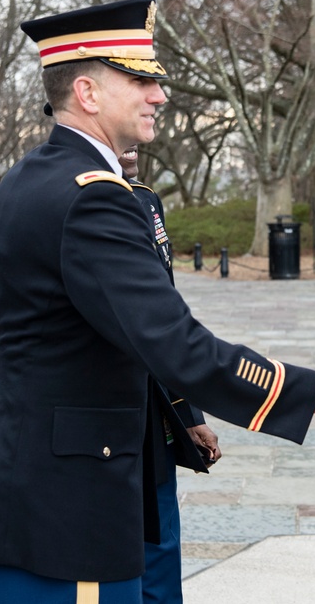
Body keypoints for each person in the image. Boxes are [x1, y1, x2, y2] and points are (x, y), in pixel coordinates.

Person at [0, 0, 315, 603]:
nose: (158, 94)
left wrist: (183, 416)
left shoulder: (34, 176)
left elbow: (116, 338)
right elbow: (176, 344)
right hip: (69, 511)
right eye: (140, 79)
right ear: (87, 91)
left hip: (44, 491)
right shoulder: (92, 198)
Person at [119, 145, 219, 604]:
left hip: (154, 411)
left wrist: (189, 411)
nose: (135, 140)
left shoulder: (145, 199)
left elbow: (168, 318)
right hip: (105, 419)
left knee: (161, 553)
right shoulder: (77, 196)